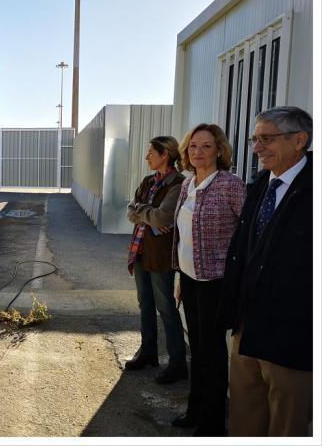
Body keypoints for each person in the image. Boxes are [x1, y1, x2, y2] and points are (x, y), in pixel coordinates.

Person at [218, 106, 312, 436]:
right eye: (255, 139)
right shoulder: (259, 185)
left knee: (287, 424)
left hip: (292, 336)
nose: (257, 148)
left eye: (267, 139)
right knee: (245, 416)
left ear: (300, 140)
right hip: (247, 326)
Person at [171, 124, 245, 436]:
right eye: (193, 147)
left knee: (213, 353)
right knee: (197, 349)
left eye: (206, 146)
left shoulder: (231, 185)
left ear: (219, 150)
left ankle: (213, 424)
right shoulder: (188, 184)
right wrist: (179, 276)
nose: (198, 152)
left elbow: (248, 234)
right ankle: (195, 411)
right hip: (189, 278)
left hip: (216, 282)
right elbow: (183, 236)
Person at [125, 136, 188, 384]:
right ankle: (148, 353)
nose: (147, 156)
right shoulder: (148, 181)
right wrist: (146, 216)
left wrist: (145, 214)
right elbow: (130, 211)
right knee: (145, 305)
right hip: (140, 250)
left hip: (161, 255)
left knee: (166, 309)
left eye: (151, 152)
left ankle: (177, 364)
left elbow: (163, 218)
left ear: (165, 155)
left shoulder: (178, 184)